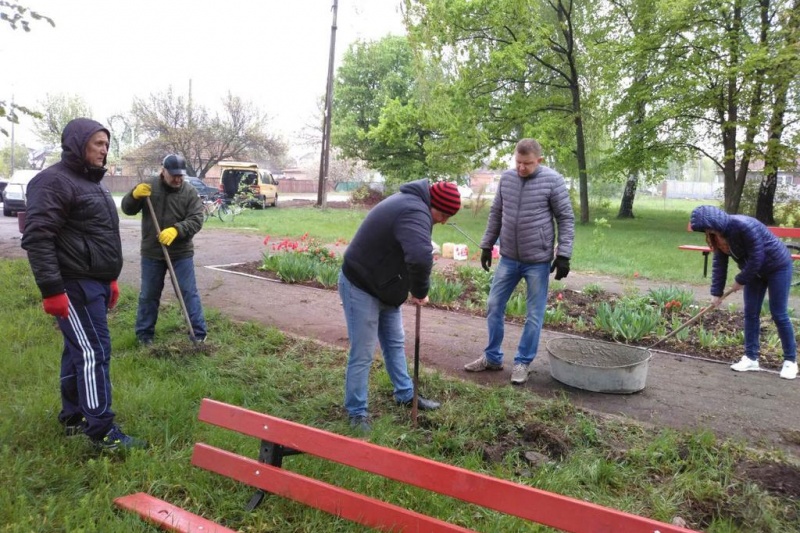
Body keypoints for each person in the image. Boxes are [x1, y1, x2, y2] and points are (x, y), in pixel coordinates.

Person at [21, 117, 147, 451]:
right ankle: (102, 430)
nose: (104, 151)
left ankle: (74, 417)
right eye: (98, 144)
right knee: (94, 352)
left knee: (76, 350)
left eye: (107, 144)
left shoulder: (94, 184)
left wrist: (111, 281)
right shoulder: (52, 182)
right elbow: (38, 237)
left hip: (95, 283)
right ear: (78, 144)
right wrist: (52, 290)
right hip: (72, 285)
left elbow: (99, 236)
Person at [339, 179, 462, 433]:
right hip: (361, 284)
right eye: (443, 215)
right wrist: (419, 291)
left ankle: (406, 395)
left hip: (385, 285)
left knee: (395, 342)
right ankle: (356, 413)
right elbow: (419, 257)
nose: (443, 221)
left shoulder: (416, 207)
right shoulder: (414, 211)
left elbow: (409, 251)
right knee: (363, 351)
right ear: (434, 205)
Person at [464, 138, 575, 385]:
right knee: (493, 304)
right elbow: (496, 213)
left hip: (537, 259)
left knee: (534, 315)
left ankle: (522, 362)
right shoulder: (508, 178)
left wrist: (564, 254)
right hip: (509, 258)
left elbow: (565, 218)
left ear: (540, 161)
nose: (522, 168)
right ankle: (492, 357)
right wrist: (486, 244)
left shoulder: (552, 181)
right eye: (518, 162)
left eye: (528, 163)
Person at [689, 205, 797, 380]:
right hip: (754, 271)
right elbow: (719, 265)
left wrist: (741, 279)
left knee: (779, 313)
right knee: (750, 313)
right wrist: (716, 293)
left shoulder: (744, 225)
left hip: (777, 267)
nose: (708, 231)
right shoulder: (716, 236)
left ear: (715, 221)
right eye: (705, 230)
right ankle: (751, 358)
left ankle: (790, 361)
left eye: (708, 227)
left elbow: (757, 256)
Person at [121, 154, 207, 345]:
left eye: (181, 175)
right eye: (174, 175)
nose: (177, 179)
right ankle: (144, 336)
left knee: (188, 292)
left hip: (181, 253)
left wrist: (177, 230)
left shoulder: (189, 192)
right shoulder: (148, 187)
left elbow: (196, 219)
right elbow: (127, 209)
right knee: (149, 294)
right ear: (163, 171)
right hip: (152, 252)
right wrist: (133, 196)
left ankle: (199, 335)